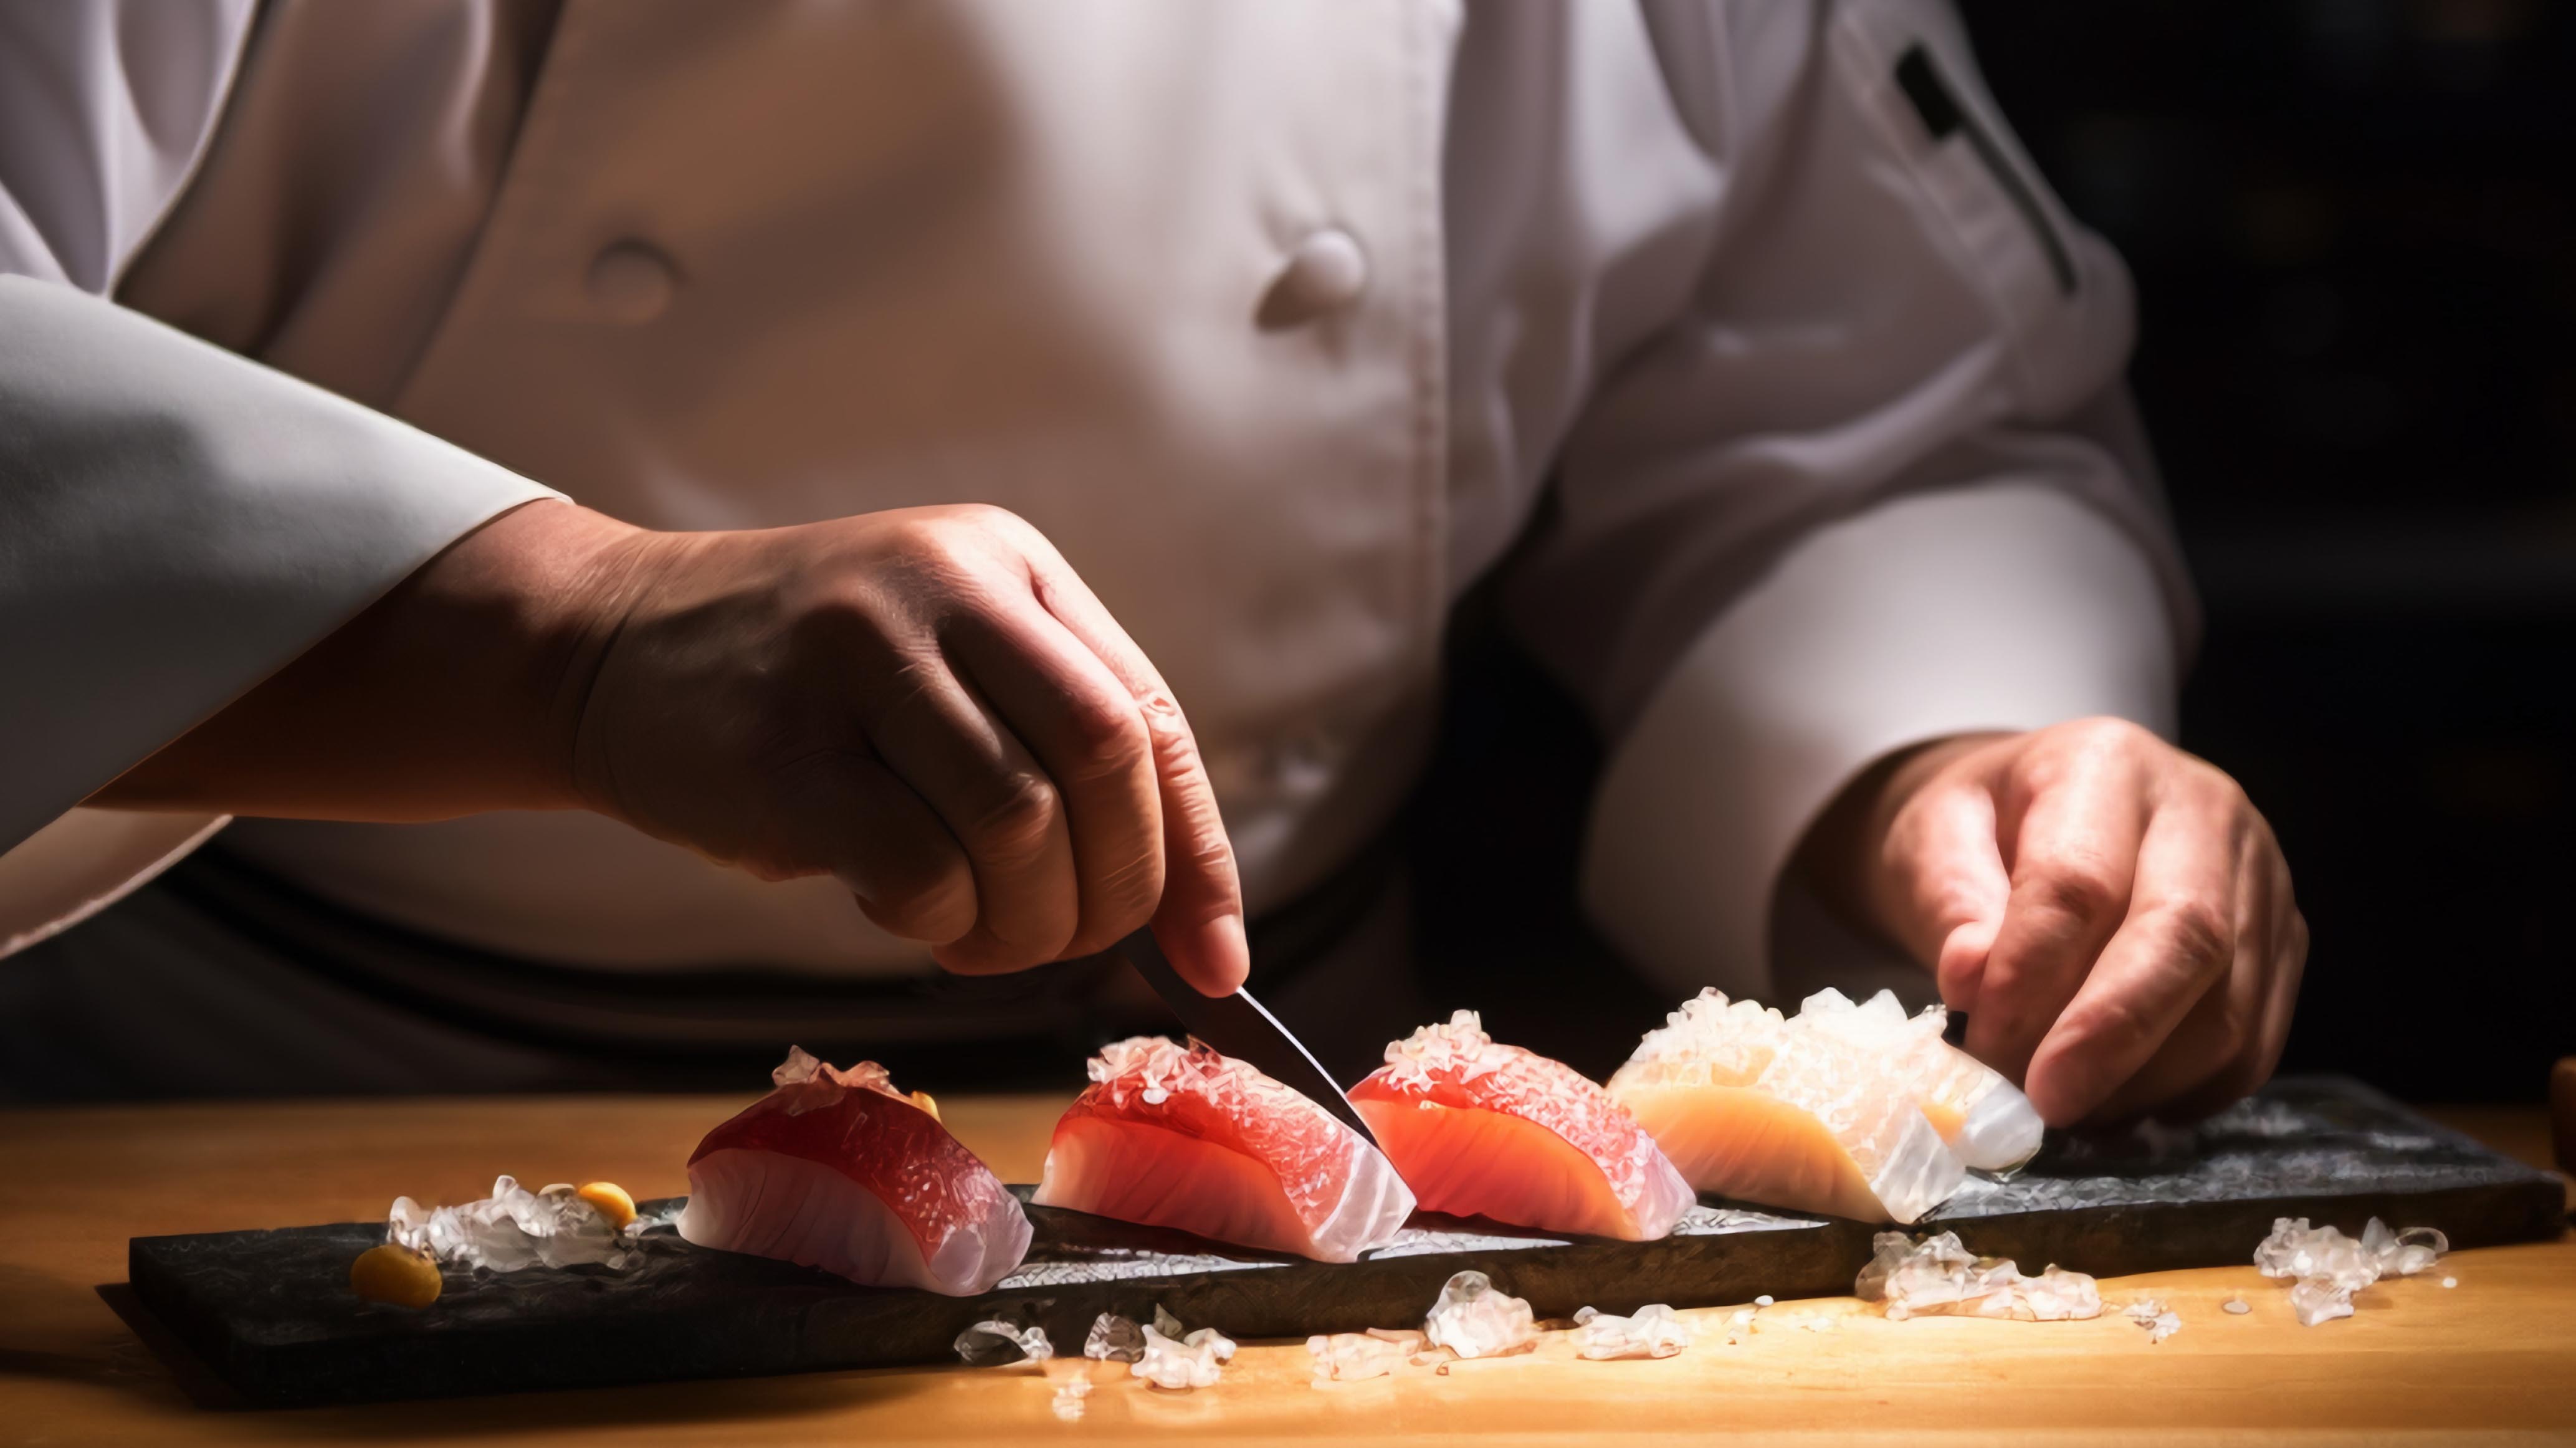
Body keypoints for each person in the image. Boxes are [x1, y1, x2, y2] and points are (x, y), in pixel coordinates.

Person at [0, 0, 2302, 1120]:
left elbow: (1871, 419)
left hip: (1276, 1130)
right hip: (292, 1127)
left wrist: (1944, 760)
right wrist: (572, 631)